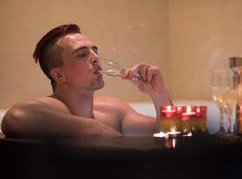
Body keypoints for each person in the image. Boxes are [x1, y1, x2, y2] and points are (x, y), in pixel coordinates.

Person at [1, 24, 173, 137]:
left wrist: (159, 94)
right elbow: (13, 119)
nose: (96, 58)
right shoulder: (53, 107)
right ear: (59, 75)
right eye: (82, 54)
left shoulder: (112, 109)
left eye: (95, 51)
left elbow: (177, 134)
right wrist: (97, 129)